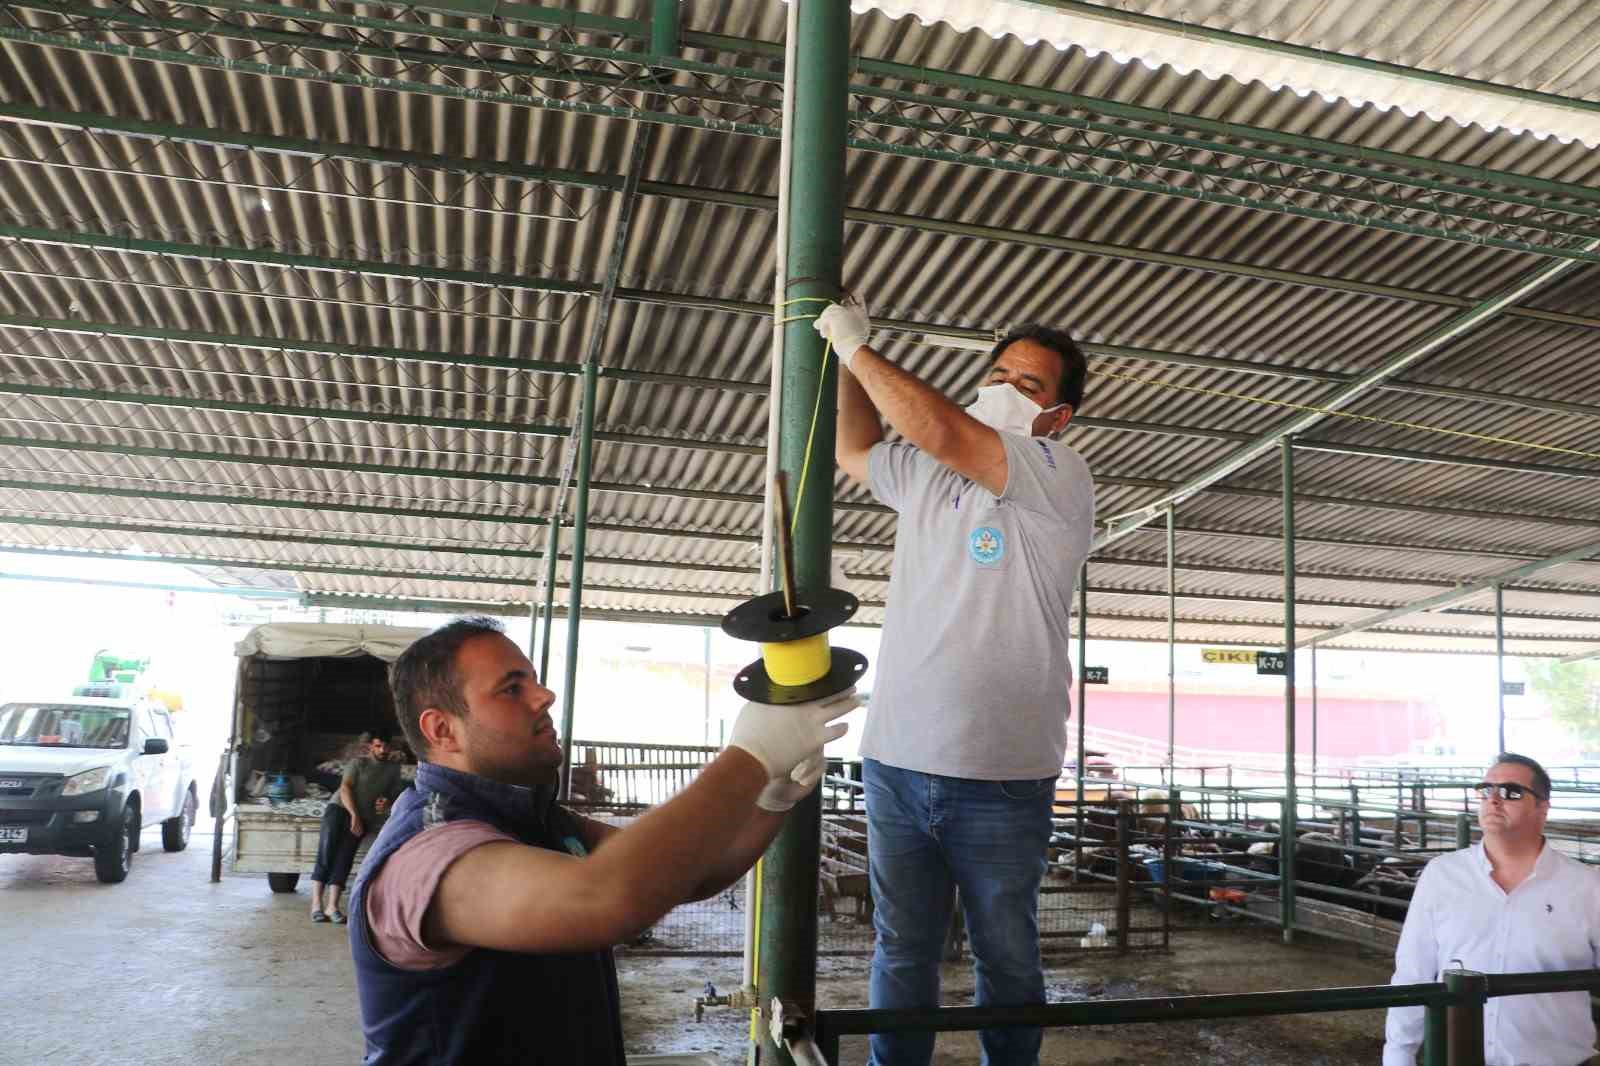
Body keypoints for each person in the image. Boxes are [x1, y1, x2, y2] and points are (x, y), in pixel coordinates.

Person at [348, 616, 857, 1065]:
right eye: (511, 689)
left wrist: (770, 800)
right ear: (442, 730)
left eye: (534, 680)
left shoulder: (536, 820)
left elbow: (687, 874)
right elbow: (608, 899)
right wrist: (750, 756)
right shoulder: (429, 852)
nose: (544, 696)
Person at [814, 298, 1094, 1066]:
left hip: (1001, 776)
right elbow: (854, 449)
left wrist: (860, 350)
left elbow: (939, 427)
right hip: (898, 761)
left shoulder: (1056, 473)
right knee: (901, 949)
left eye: (1027, 385)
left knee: (1005, 955)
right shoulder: (928, 475)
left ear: (1057, 416)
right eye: (997, 372)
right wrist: (846, 363)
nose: (1004, 386)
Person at [1384, 753, 1600, 1066]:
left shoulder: (1586, 886)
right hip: (1457, 1058)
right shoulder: (1441, 875)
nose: (1494, 800)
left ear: (1543, 807)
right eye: (1486, 790)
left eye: (1511, 792)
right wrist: (1398, 1055)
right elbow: (1413, 971)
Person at [309, 734, 404, 924]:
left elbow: (393, 794)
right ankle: (316, 906)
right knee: (326, 854)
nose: (383, 750)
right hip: (339, 809)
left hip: (364, 817)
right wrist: (354, 815)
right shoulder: (358, 764)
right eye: (378, 746)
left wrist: (386, 802)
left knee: (345, 858)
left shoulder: (393, 769)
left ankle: (332, 907)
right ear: (370, 747)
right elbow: (345, 789)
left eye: (386, 747)